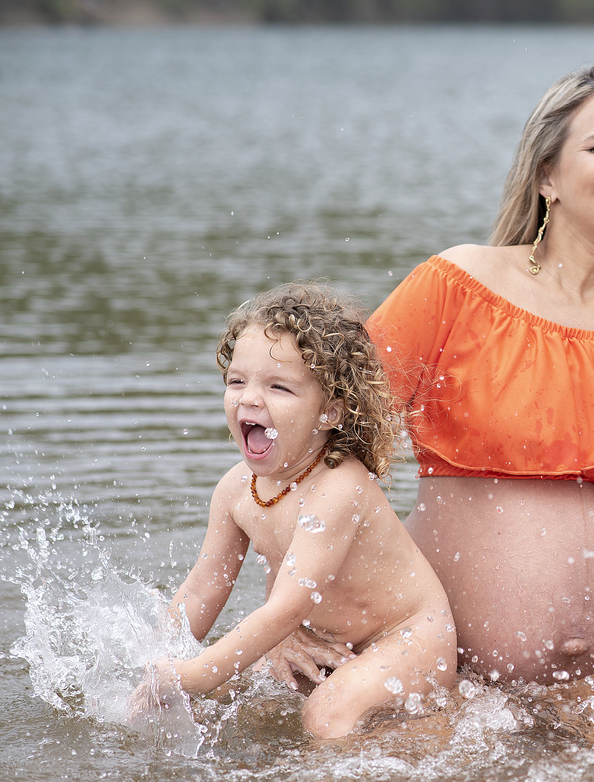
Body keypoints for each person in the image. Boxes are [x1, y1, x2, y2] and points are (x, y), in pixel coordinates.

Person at [314, 65, 594, 685]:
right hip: (440, 683)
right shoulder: (456, 285)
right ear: (547, 175)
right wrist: (293, 618)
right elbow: (316, 451)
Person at [133, 282, 456, 739]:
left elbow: (286, 607)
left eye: (279, 387)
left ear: (330, 413)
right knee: (232, 701)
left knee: (325, 718)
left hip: (406, 637)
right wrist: (155, 664)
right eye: (237, 381)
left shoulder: (338, 489)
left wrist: (196, 675)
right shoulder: (234, 490)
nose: (248, 398)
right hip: (321, 637)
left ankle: (432, 735)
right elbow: (204, 587)